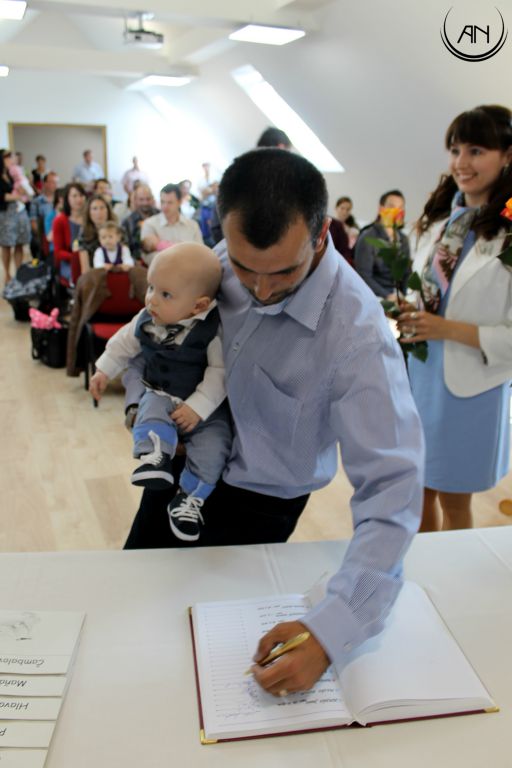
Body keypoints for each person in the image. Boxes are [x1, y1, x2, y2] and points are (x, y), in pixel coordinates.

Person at [125, 149, 424, 694]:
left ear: (321, 234)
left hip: (258, 508)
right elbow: (159, 322)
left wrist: (332, 631)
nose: (261, 291)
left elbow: (392, 490)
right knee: (135, 622)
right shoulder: (218, 258)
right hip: (181, 468)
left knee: (218, 671)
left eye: (284, 272)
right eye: (244, 270)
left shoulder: (358, 336)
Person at [397, 104, 512, 532]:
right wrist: (411, 312)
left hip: (470, 387)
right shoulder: (439, 224)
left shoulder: (509, 233)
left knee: (454, 499)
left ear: (507, 155)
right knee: (416, 490)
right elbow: (430, 291)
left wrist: (446, 329)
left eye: (476, 151)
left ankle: (451, 572)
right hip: (422, 376)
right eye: (455, 150)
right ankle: (422, 568)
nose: (461, 163)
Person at [89, 244, 231, 542]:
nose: (151, 298)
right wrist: (103, 371)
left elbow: (219, 373)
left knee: (216, 444)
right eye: (151, 287)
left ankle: (189, 498)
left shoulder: (212, 330)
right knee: (150, 408)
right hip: (161, 391)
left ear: (199, 305)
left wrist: (198, 407)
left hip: (203, 409)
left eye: (165, 294)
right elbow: (121, 345)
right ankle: (155, 456)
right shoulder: (146, 318)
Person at [354, 189, 410, 300]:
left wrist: (406, 296)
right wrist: (387, 296)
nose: (397, 211)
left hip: (398, 295)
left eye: (400, 207)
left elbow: (406, 273)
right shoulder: (368, 237)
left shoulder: (403, 239)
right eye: (392, 206)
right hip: (375, 296)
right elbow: (363, 275)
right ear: (381, 209)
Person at [141, 183, 203, 265]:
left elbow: (201, 252)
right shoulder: (149, 224)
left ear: (179, 202)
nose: (165, 206)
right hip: (163, 270)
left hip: (191, 268)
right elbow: (147, 256)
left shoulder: (192, 225)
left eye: (170, 202)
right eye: (162, 202)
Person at [0, 149, 30, 285]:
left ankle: (18, 271)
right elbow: (2, 196)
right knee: (6, 244)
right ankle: (7, 274)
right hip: (5, 214)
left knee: (19, 243)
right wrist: (17, 196)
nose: (12, 160)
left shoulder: (11, 174)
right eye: (8, 158)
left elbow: (18, 188)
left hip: (18, 212)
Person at [52, 183, 86, 285]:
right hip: (70, 262)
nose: (78, 199)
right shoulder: (60, 221)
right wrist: (77, 258)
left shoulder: (89, 217)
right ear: (67, 199)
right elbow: (58, 252)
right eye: (74, 196)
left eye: (81, 195)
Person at [77, 194, 115, 275]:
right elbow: (85, 269)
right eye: (94, 209)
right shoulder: (84, 233)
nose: (99, 212)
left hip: (117, 272)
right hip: (94, 275)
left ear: (108, 210)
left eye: (102, 208)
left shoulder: (117, 230)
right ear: (89, 212)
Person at [122, 184, 159, 261]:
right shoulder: (128, 222)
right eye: (141, 199)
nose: (145, 203)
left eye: (148, 199)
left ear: (152, 199)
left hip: (161, 259)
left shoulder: (160, 216)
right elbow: (125, 247)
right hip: (137, 262)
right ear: (135, 200)